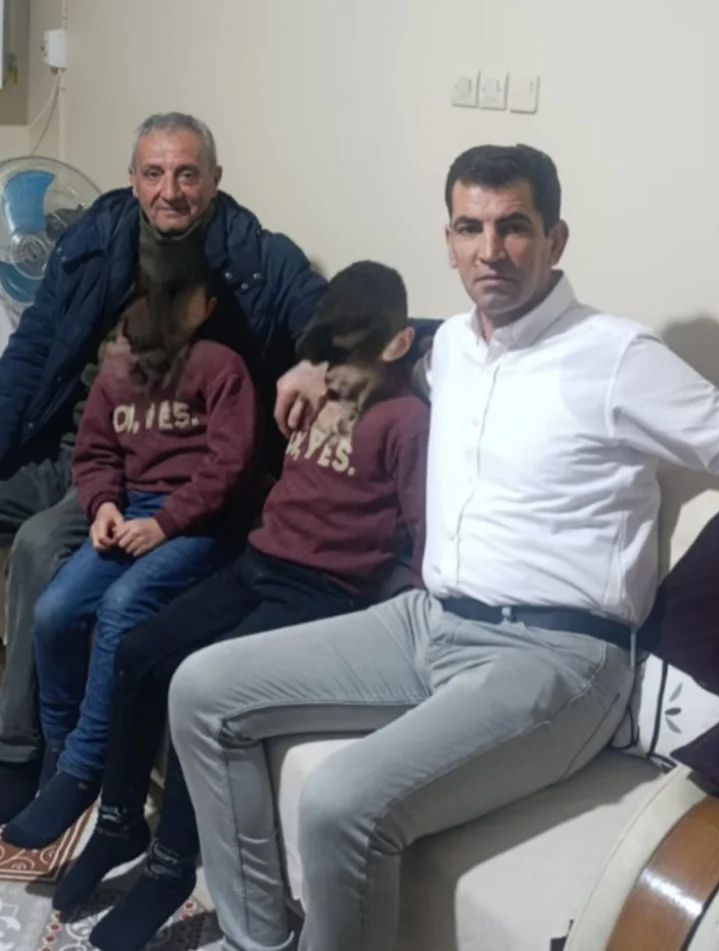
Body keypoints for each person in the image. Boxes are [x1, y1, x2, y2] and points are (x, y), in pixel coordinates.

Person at [168, 144, 719, 951]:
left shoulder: (618, 358)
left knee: (339, 805)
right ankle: (258, 938)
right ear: (449, 241)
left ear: (555, 238)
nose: (490, 250)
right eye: (470, 228)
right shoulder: (454, 347)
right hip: (428, 622)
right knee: (201, 690)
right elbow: (404, 343)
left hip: (559, 657)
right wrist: (315, 364)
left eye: (514, 227)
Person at [45, 262, 429, 951]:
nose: (334, 365)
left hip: (325, 591)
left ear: (399, 345)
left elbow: (426, 527)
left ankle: (172, 863)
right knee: (137, 649)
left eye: (351, 351)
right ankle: (120, 821)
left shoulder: (407, 420)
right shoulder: (317, 387)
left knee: (201, 685)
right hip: (259, 560)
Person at [0, 111, 326, 823]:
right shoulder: (95, 235)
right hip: (76, 441)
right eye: (154, 173)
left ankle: (22, 754)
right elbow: (36, 344)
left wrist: (316, 359)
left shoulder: (256, 257)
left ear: (215, 179)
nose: (169, 190)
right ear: (132, 179)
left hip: (150, 472)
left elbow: (323, 316)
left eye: (186, 174)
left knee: (39, 548)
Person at [1, 249, 262, 850]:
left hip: (201, 523)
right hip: (132, 508)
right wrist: (103, 506)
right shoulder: (120, 369)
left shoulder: (222, 367)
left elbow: (231, 467)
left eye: (180, 301)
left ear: (206, 308)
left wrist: (166, 524)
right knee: (55, 609)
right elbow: (94, 452)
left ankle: (84, 767)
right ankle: (59, 753)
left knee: (122, 605)